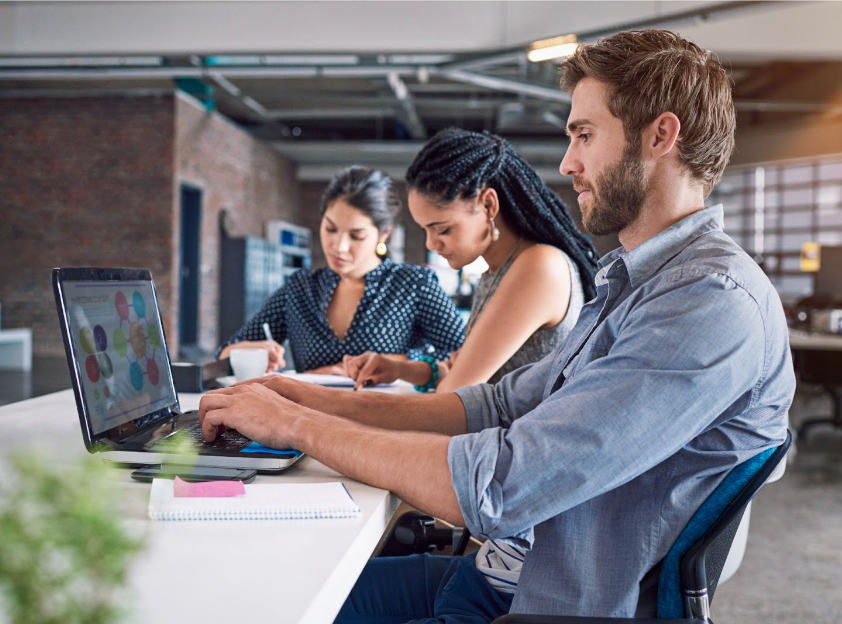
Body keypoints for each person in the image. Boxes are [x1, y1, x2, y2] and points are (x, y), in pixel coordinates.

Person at [198, 29, 794, 621]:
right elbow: (494, 406)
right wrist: (308, 401)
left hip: (541, 606)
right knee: (270, 592)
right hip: (499, 577)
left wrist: (297, 426)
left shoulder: (711, 303)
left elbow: (501, 485)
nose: (568, 163)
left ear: (661, 135)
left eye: (584, 135)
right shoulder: (633, 284)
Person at [342, 128, 599, 392]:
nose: (431, 243)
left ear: (488, 205)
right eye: (425, 230)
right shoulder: (496, 271)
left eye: (442, 229)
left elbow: (454, 397)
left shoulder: (539, 266)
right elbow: (462, 375)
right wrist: (399, 369)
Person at [218, 165, 465, 375]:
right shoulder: (300, 289)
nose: (339, 246)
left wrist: (393, 365)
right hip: (307, 423)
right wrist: (252, 353)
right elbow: (226, 354)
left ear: (383, 234)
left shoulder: (412, 284)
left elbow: (463, 358)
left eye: (356, 236)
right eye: (331, 229)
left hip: (385, 424)